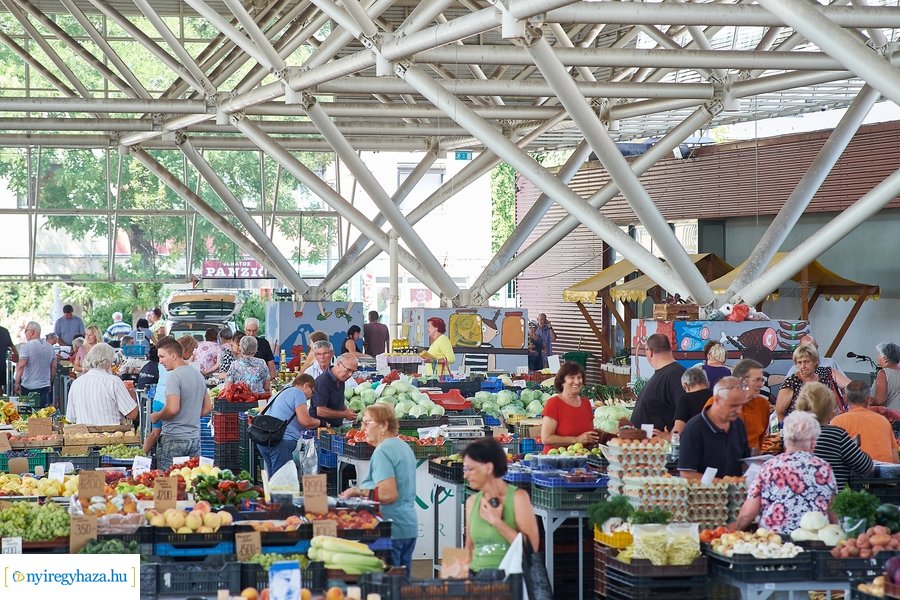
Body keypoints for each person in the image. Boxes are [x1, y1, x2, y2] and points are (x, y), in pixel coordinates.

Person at [340, 404, 419, 576]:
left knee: (388, 586)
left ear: (383, 425)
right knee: (401, 585)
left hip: (390, 529)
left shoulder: (383, 451)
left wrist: (357, 492)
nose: (362, 428)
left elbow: (388, 494)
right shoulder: (402, 446)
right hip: (407, 526)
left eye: (367, 423)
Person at [734, 411, 837, 534]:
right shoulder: (824, 468)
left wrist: (735, 531)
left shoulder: (769, 467)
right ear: (813, 441)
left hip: (775, 543)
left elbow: (748, 514)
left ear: (786, 437)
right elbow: (833, 509)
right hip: (814, 540)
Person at [460, 437, 540, 573]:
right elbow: (469, 547)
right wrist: (459, 585)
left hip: (510, 581)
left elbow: (531, 547)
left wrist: (496, 521)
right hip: (478, 581)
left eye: (469, 469)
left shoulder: (518, 498)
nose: (465, 475)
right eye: (464, 469)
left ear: (488, 468)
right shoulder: (472, 501)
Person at [795, 381, 873, 489]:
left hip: (802, 502)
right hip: (833, 502)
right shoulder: (837, 435)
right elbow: (866, 466)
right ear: (828, 408)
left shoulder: (793, 435)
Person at [150, 337, 213, 470]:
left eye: (162, 357)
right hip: (194, 440)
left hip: (174, 439)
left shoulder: (173, 376)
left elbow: (172, 409)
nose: (160, 361)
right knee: (191, 481)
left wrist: (157, 416)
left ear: (173, 356)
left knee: (169, 484)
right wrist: (190, 416)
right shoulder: (198, 375)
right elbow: (208, 407)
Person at [678, 377, 751, 480]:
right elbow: (687, 474)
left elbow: (744, 462)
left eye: (741, 405)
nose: (739, 411)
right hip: (705, 494)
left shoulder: (738, 424)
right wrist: (724, 484)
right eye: (733, 405)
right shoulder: (694, 429)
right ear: (717, 400)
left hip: (736, 494)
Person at [258, 373, 320, 475]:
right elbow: (305, 421)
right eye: (312, 392)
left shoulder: (280, 393)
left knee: (273, 478)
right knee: (282, 481)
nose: (311, 396)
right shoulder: (298, 393)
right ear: (306, 385)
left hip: (265, 440)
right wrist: (320, 422)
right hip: (280, 441)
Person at [66, 343, 139, 426]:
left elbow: (71, 418)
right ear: (107, 362)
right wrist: (132, 396)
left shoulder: (76, 383)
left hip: (83, 436)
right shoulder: (114, 382)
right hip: (111, 435)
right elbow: (132, 414)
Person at [777, 343, 851, 423]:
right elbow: (779, 412)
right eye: (799, 362)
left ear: (815, 361)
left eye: (806, 361)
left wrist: (845, 394)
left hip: (832, 425)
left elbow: (852, 387)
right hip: (803, 430)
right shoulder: (791, 382)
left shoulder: (827, 372)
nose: (803, 366)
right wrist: (790, 429)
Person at [832, 380, 898, 464]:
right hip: (886, 473)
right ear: (869, 400)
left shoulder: (838, 421)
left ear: (845, 399)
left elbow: (833, 455)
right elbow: (895, 457)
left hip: (856, 473)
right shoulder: (883, 421)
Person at [630, 333, 686, 431]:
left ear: (650, 352)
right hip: (644, 442)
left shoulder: (676, 375)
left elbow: (686, 410)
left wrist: (672, 437)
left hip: (659, 443)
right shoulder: (666, 373)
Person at [540, 361, 599, 453]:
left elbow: (587, 432)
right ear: (562, 381)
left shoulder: (586, 403)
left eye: (579, 378)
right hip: (556, 461)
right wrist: (576, 440)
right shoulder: (553, 404)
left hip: (582, 459)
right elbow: (546, 438)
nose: (576, 381)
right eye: (571, 378)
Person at [15, 321, 57, 408]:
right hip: (44, 385)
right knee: (41, 415)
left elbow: (21, 365)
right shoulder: (50, 347)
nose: (25, 333)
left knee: (27, 414)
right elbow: (53, 367)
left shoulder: (27, 346)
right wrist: (49, 381)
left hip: (29, 386)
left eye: (26, 331)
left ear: (31, 332)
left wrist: (17, 383)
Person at [311, 355, 359, 427]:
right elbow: (321, 411)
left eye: (353, 372)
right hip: (321, 430)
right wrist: (344, 414)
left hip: (335, 428)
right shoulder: (322, 381)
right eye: (348, 370)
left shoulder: (341, 379)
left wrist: (348, 412)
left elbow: (338, 401)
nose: (350, 375)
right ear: (338, 364)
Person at [672, 367, 711, 435]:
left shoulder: (685, 399)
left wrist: (666, 436)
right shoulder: (717, 397)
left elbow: (678, 432)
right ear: (708, 384)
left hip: (695, 442)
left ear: (686, 386)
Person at [872, 342, 900, 410]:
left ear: (884, 358)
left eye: (879, 354)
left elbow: (879, 401)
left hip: (890, 417)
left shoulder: (883, 373)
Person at [0, 323, 18, 395]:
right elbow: (12, 346)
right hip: (1, 366)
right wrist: (16, 356)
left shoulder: (4, 331)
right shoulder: (4, 331)